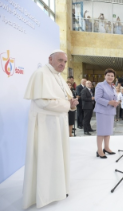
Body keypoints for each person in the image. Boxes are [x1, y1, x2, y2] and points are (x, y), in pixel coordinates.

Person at [23, 50, 79, 209]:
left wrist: (71, 104)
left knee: (58, 158)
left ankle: (58, 189)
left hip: (58, 123)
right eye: (60, 60)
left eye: (65, 62)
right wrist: (68, 105)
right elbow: (43, 102)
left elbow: (63, 99)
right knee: (46, 159)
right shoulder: (41, 74)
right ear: (50, 59)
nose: (63, 64)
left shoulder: (58, 77)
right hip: (45, 126)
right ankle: (45, 194)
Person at [94, 68, 120, 158]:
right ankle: (99, 150)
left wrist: (116, 102)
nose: (110, 77)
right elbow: (97, 98)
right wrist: (109, 102)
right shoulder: (100, 85)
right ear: (105, 76)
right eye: (108, 75)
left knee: (108, 131)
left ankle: (107, 147)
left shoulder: (112, 87)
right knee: (101, 131)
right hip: (102, 111)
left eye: (112, 76)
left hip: (110, 111)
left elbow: (113, 97)